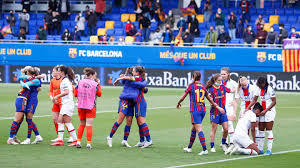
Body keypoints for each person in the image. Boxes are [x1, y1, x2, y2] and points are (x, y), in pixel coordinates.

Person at [177, 71, 225, 155]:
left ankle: (204, 149)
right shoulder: (202, 86)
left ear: (193, 77)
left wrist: (178, 103)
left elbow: (183, 96)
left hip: (195, 110)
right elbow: (210, 99)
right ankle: (189, 148)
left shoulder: (191, 86)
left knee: (198, 129)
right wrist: (218, 107)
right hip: (203, 110)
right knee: (193, 128)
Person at [107, 67, 147, 148]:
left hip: (131, 102)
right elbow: (142, 85)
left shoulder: (133, 79)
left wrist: (144, 87)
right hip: (124, 101)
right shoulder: (129, 80)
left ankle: (125, 140)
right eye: (132, 71)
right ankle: (110, 137)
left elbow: (144, 89)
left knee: (129, 122)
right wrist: (145, 82)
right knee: (120, 120)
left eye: (133, 71)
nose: (133, 72)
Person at [246, 77, 276, 155]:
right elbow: (254, 100)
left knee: (269, 131)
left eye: (260, 84)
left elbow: (274, 101)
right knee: (260, 131)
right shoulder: (258, 89)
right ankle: (260, 149)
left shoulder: (269, 89)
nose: (259, 86)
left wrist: (266, 110)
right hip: (261, 112)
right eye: (258, 84)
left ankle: (269, 150)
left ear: (264, 83)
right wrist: (248, 107)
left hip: (269, 112)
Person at [206, 73, 235, 153]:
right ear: (215, 81)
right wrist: (218, 108)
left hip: (223, 112)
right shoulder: (211, 89)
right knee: (214, 129)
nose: (220, 82)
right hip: (214, 112)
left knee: (226, 129)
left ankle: (223, 143)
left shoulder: (223, 87)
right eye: (219, 80)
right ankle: (212, 146)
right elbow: (211, 102)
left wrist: (240, 86)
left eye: (221, 80)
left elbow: (231, 91)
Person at [75, 68, 102, 149]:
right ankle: (88, 144)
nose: (95, 77)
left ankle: (78, 142)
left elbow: (75, 94)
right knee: (89, 125)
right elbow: (100, 94)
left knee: (81, 124)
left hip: (81, 106)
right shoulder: (94, 84)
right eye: (95, 75)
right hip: (90, 107)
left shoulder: (80, 82)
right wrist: (99, 84)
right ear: (91, 75)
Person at [51, 65, 78, 146]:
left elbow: (66, 92)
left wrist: (56, 96)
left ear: (62, 72)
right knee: (60, 121)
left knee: (67, 122)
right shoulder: (65, 80)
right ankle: (60, 140)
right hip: (66, 103)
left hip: (67, 103)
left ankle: (75, 140)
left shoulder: (65, 81)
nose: (57, 72)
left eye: (59, 71)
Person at [19, 67, 44, 145]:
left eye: (27, 73)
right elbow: (20, 77)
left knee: (29, 119)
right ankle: (38, 136)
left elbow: (26, 85)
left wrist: (36, 77)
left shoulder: (36, 80)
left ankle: (28, 139)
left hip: (32, 101)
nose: (26, 75)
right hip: (28, 100)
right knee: (28, 119)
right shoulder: (32, 78)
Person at [220, 68, 237, 147]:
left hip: (229, 106)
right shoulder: (219, 83)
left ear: (228, 74)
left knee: (229, 123)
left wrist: (235, 101)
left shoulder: (233, 83)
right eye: (221, 74)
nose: (223, 76)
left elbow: (238, 91)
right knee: (223, 124)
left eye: (224, 74)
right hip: (221, 106)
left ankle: (232, 141)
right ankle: (225, 142)